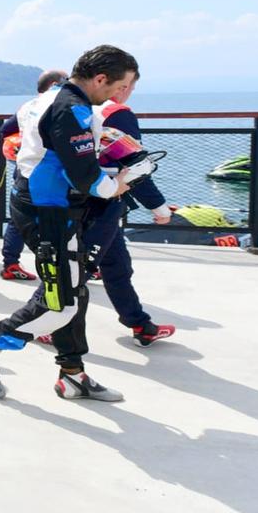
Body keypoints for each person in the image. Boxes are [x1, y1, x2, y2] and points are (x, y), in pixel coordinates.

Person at [0, 45, 138, 402]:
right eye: (119, 87)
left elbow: (54, 156)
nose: (120, 95)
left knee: (74, 289)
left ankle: (72, 374)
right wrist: (115, 185)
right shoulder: (70, 108)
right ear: (100, 78)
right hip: (49, 212)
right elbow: (84, 173)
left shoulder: (45, 99)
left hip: (44, 204)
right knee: (61, 302)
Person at [80, 73, 176, 347]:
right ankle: (38, 324)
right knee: (78, 271)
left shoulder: (85, 109)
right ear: (123, 87)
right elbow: (135, 166)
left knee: (116, 265)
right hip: (102, 204)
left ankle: (139, 323)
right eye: (129, 86)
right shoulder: (118, 115)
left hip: (88, 199)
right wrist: (158, 208)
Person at [0, 69, 68, 281]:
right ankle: (67, 266)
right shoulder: (60, 105)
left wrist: (18, 146)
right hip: (50, 173)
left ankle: (10, 263)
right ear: (55, 84)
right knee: (62, 217)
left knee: (20, 217)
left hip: (25, 169)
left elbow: (5, 130)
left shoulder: (27, 106)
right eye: (66, 81)